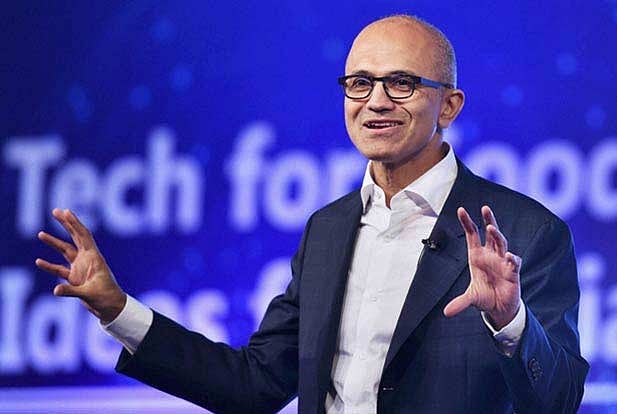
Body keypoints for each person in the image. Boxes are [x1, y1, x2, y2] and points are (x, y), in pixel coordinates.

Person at [36, 14, 588, 414]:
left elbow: (559, 400)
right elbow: (254, 384)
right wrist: (118, 310)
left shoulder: (525, 232)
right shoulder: (327, 230)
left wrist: (510, 323)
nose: (376, 101)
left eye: (401, 83)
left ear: (449, 105)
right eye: (360, 83)